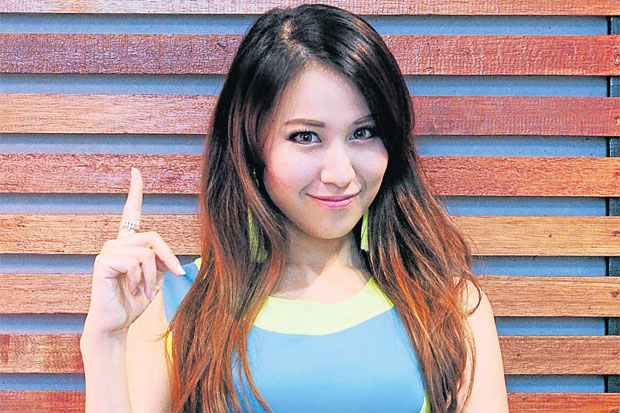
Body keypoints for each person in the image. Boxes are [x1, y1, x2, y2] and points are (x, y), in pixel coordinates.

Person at [80, 4, 508, 412]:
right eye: (305, 137)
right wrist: (105, 341)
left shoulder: (448, 304)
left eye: (363, 132)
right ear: (252, 146)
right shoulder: (177, 304)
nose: (340, 173)